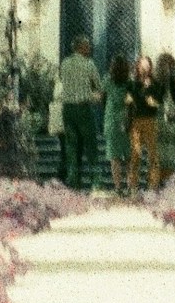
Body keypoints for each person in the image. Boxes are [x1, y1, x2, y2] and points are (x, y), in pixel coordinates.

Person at [56, 34, 103, 190]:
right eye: (87, 46)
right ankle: (95, 181)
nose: (89, 48)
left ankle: (73, 180)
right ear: (81, 47)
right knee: (91, 145)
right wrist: (94, 96)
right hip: (83, 108)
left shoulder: (65, 64)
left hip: (68, 109)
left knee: (71, 145)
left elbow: (63, 81)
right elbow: (98, 86)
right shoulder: (89, 64)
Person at [126, 53, 162, 195]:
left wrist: (147, 90)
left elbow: (155, 103)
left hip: (150, 120)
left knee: (153, 154)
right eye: (142, 65)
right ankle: (133, 187)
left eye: (147, 65)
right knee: (136, 154)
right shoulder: (132, 83)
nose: (144, 68)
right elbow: (128, 101)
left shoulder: (155, 84)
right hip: (135, 121)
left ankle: (152, 186)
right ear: (138, 67)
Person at [153, 49, 175, 175]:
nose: (168, 70)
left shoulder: (174, 83)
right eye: (166, 66)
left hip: (173, 124)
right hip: (159, 122)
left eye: (170, 67)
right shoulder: (154, 82)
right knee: (160, 158)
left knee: (174, 157)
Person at [102, 51, 131, 194]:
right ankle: (131, 185)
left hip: (111, 120)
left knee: (114, 156)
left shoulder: (107, 80)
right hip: (125, 120)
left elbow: (101, 95)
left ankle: (118, 187)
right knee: (128, 156)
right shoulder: (129, 82)